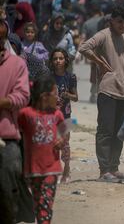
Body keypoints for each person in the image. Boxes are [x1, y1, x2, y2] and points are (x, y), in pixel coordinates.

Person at [79, 6, 124, 181]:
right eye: (119, 21)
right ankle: (104, 170)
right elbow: (83, 47)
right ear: (111, 20)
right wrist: (99, 62)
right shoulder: (103, 35)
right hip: (107, 90)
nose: (122, 25)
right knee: (105, 131)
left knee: (119, 132)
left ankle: (114, 167)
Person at [18, 76, 67, 224]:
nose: (57, 97)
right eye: (54, 93)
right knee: (38, 202)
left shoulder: (57, 114)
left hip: (51, 168)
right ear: (44, 96)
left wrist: (62, 139)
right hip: (32, 169)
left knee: (46, 203)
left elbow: (65, 131)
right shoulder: (25, 114)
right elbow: (16, 132)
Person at [0, 20, 32, 223]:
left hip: (7, 135)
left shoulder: (17, 64)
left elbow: (22, 96)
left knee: (8, 182)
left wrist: (4, 101)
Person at [50, 48, 78, 183]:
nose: (58, 61)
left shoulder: (71, 77)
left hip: (66, 115)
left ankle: (66, 168)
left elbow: (76, 97)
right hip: (51, 115)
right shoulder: (48, 77)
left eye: (60, 58)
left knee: (65, 143)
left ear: (65, 60)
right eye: (55, 59)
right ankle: (53, 169)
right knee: (52, 143)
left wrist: (68, 95)